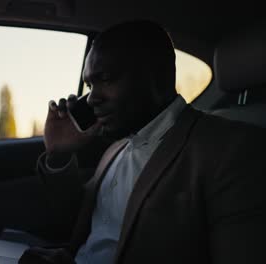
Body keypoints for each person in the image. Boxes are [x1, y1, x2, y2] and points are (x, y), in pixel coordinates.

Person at [19, 20, 266, 264]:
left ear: (156, 75)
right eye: (90, 85)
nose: (92, 98)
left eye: (106, 79)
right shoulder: (116, 149)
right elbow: (80, 219)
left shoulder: (233, 149)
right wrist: (59, 155)